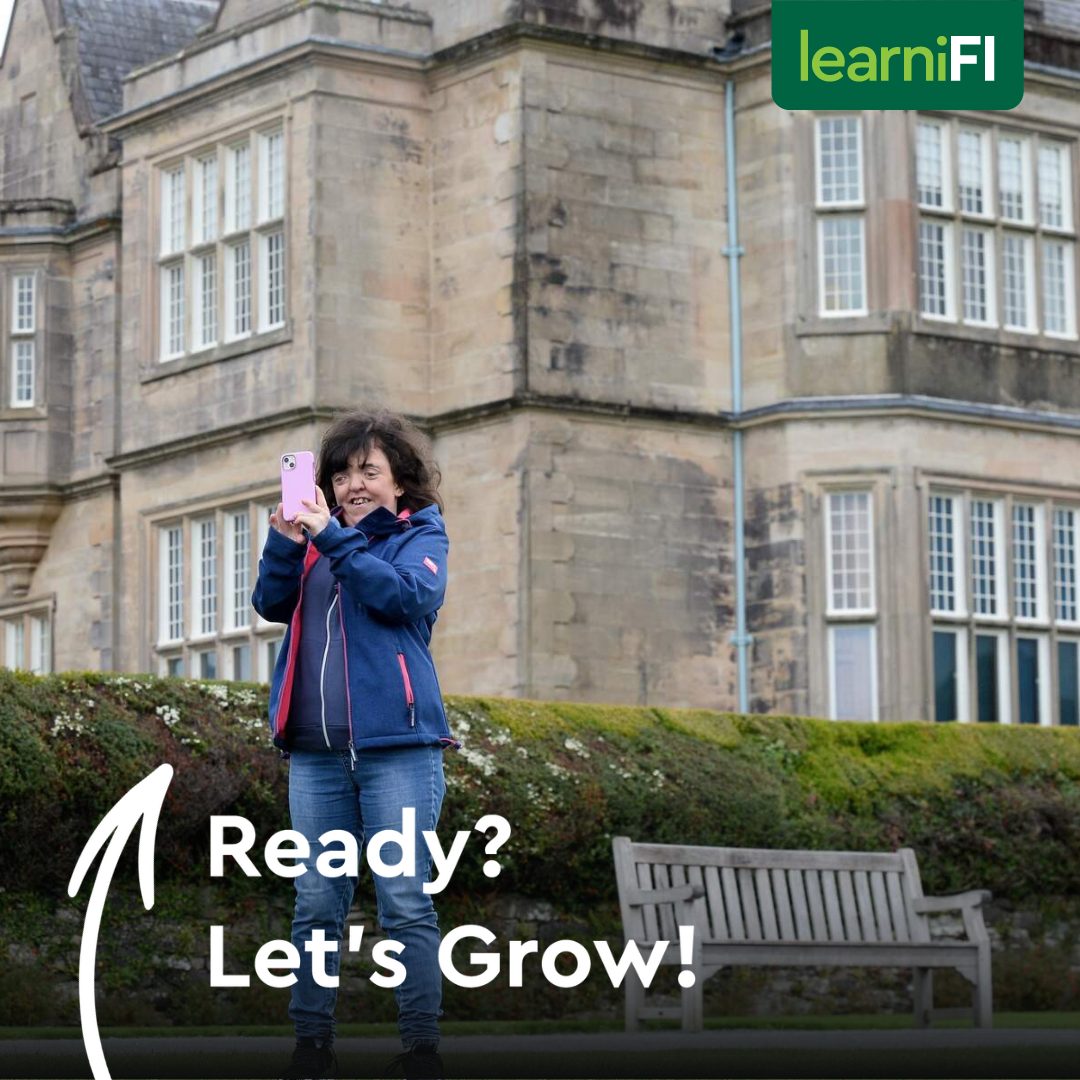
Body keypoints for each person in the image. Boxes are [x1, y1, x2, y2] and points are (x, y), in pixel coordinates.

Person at [252, 410, 454, 1080]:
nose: (352, 483)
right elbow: (270, 603)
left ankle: (419, 1048)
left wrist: (332, 537)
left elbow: (402, 594)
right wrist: (286, 541)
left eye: (368, 470)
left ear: (401, 480)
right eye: (340, 472)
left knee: (403, 898)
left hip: (399, 750)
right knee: (316, 901)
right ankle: (312, 1044)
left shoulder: (419, 534)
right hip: (315, 755)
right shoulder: (316, 539)